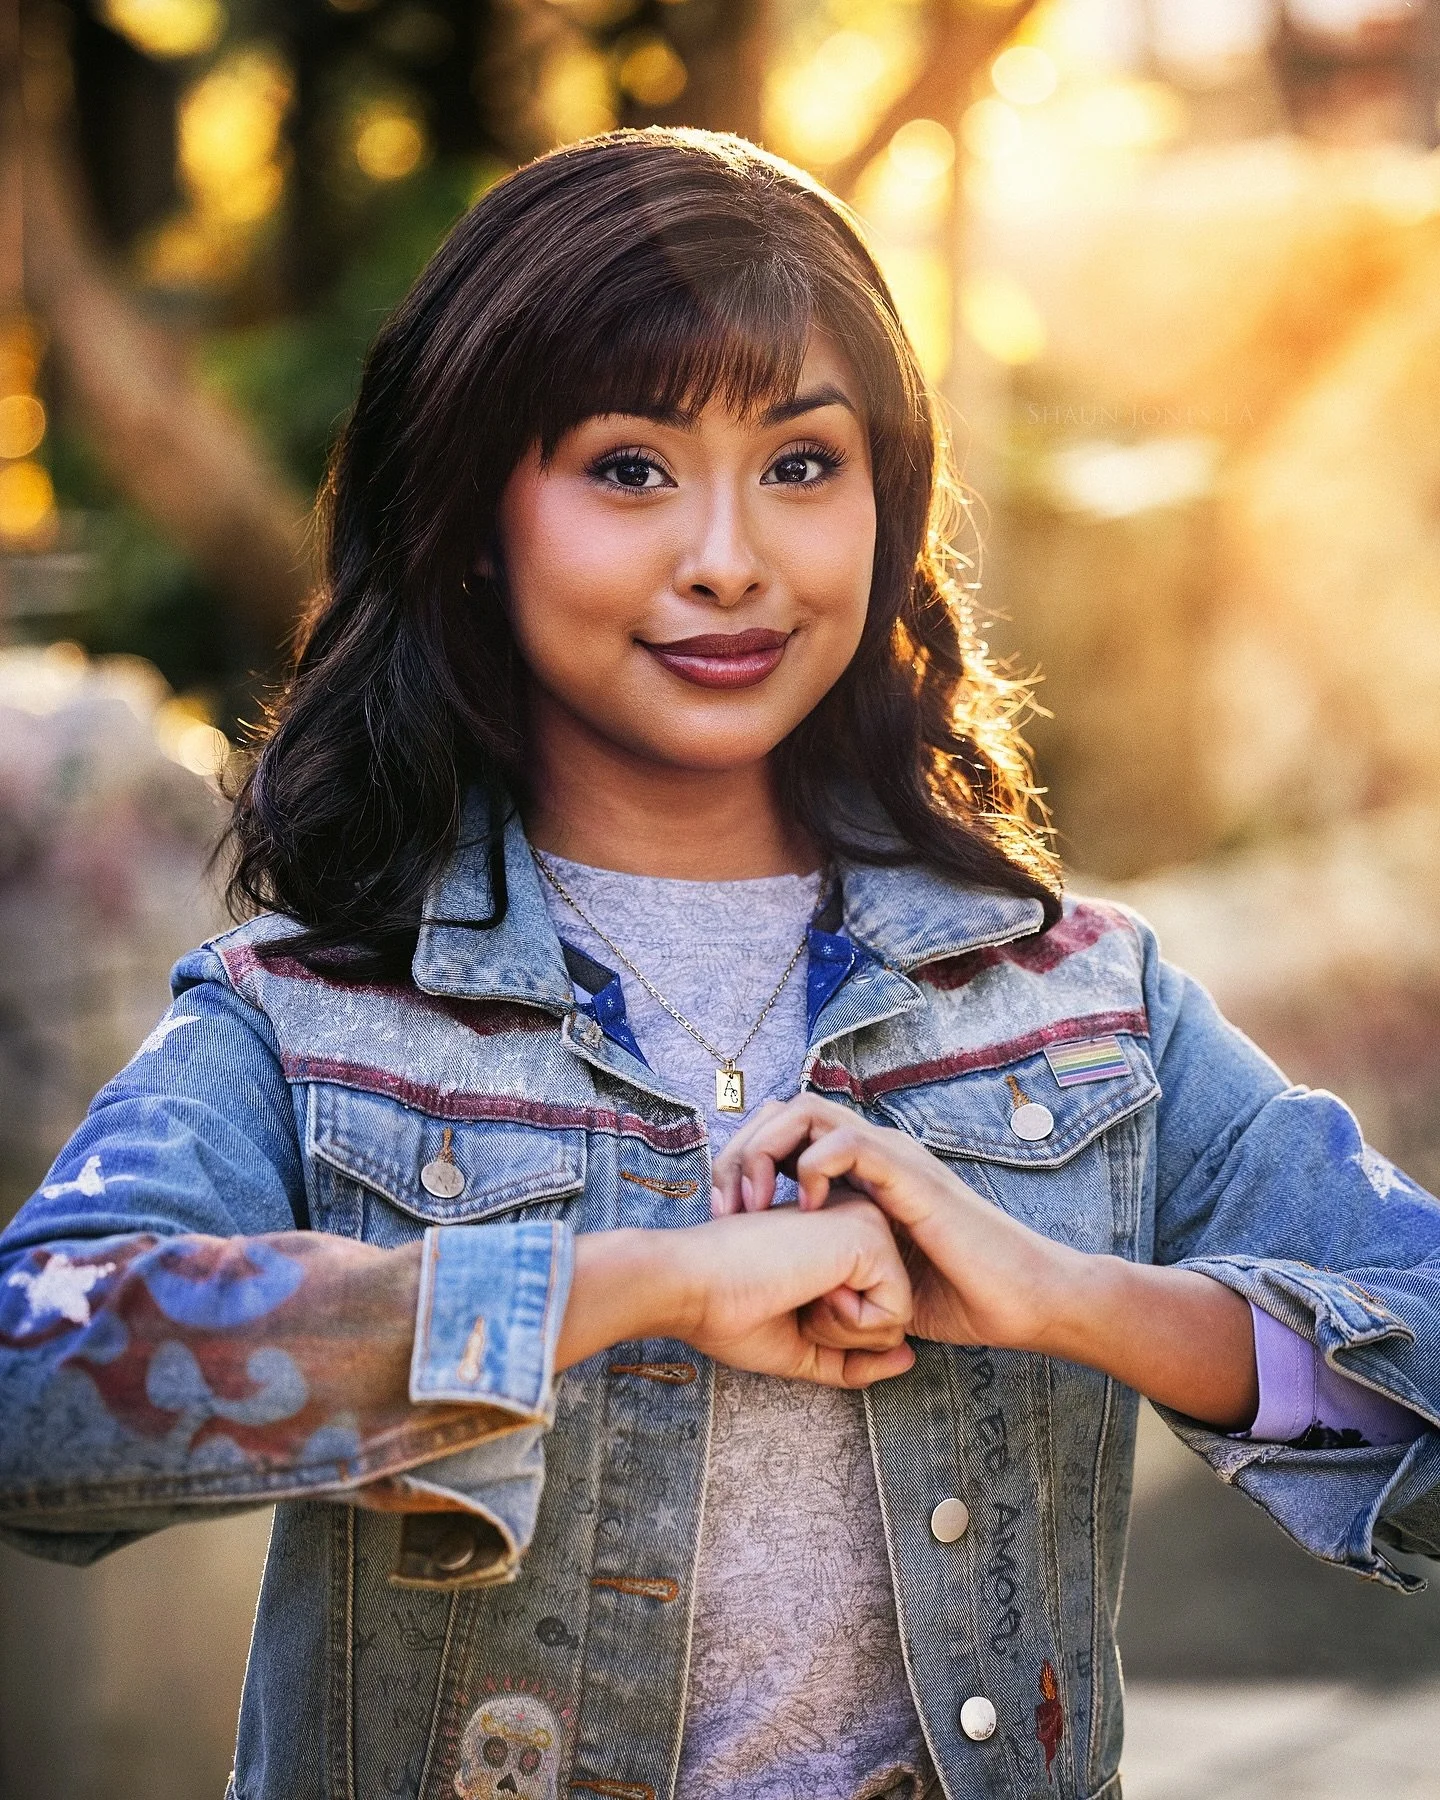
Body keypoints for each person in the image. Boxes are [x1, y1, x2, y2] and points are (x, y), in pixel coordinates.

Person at [2, 127, 1438, 1800]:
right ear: (473, 517)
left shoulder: (1074, 1004)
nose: (731, 556)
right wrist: (628, 1288)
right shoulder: (314, 1015)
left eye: (803, 465)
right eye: (631, 467)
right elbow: (43, 1392)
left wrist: (1071, 1298)